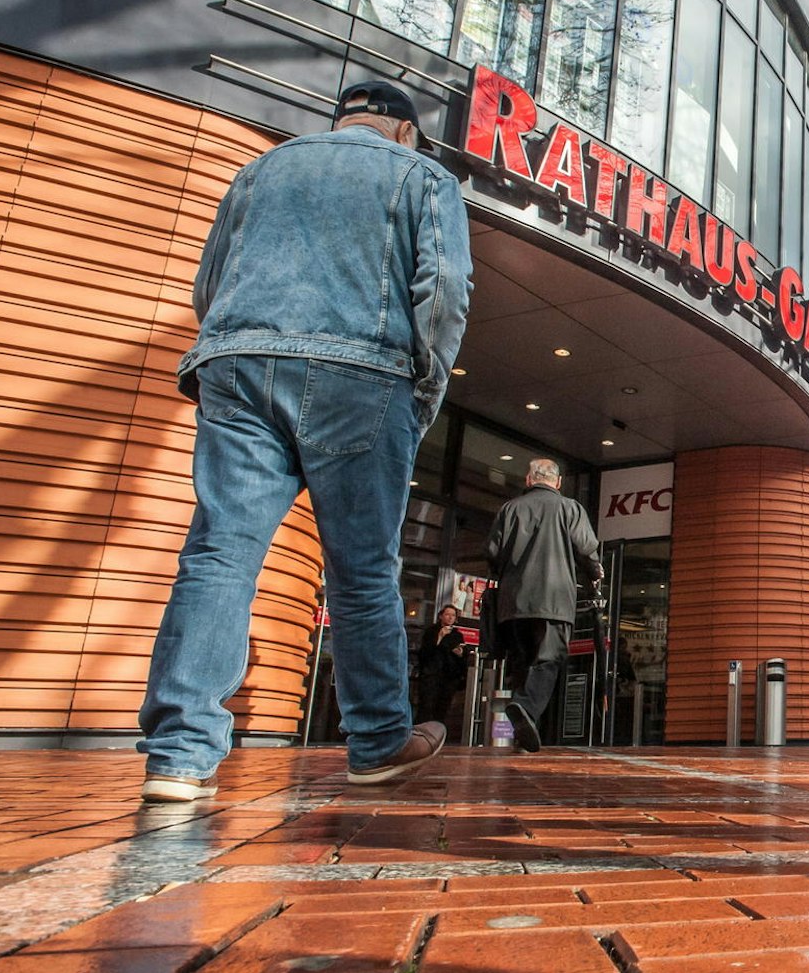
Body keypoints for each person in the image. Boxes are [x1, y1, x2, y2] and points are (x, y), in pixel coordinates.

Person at [137, 80, 471, 802]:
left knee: (220, 551)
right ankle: (379, 740)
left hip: (237, 364)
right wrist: (423, 394)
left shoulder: (262, 169)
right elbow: (442, 291)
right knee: (360, 566)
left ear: (343, 121)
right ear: (405, 133)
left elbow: (209, 284)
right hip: (362, 374)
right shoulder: (423, 176)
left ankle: (179, 754)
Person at [487, 459, 602, 752]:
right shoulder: (570, 508)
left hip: (513, 603)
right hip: (553, 600)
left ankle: (521, 735)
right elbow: (586, 549)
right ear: (558, 482)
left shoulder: (509, 509)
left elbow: (493, 554)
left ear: (528, 479)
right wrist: (595, 573)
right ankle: (524, 708)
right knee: (548, 660)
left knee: (522, 663)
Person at [414, 606, 470, 726]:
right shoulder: (431, 631)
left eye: (453, 615)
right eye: (447, 614)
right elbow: (425, 652)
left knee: (443, 708)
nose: (450, 618)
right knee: (426, 706)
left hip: (449, 676)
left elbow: (464, 653)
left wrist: (460, 653)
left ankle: (438, 733)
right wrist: (439, 637)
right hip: (432, 675)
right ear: (441, 616)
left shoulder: (457, 635)